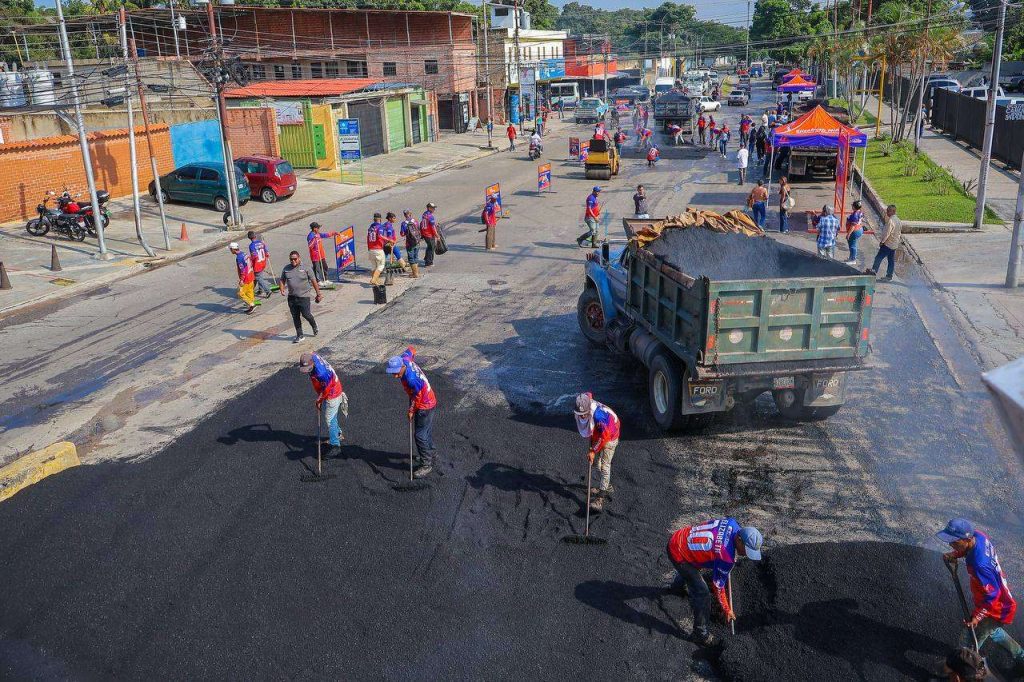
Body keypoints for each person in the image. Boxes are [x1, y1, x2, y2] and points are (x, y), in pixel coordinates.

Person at [938, 519, 1024, 672]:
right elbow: (966, 549)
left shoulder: (980, 565)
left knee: (969, 638)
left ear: (967, 539)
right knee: (993, 632)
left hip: (996, 608)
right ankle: (1021, 656)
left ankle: (963, 669)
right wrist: (955, 554)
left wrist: (977, 617)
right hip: (998, 602)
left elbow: (993, 595)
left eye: (954, 542)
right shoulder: (978, 535)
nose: (951, 545)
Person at [667, 518, 764, 646]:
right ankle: (700, 634)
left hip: (681, 537)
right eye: (747, 550)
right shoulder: (726, 557)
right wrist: (726, 608)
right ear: (739, 540)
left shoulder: (732, 523)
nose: (746, 554)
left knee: (694, 566)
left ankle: (676, 589)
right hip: (678, 552)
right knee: (702, 593)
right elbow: (718, 586)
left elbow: (708, 525)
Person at [386, 346, 438, 478]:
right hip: (429, 398)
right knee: (425, 431)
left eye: (396, 372)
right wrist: (411, 353)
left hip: (425, 404)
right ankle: (430, 452)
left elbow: (417, 397)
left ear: (402, 367)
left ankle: (427, 464)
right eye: (393, 373)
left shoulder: (411, 379)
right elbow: (411, 349)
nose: (395, 375)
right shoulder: (405, 359)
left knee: (420, 435)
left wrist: (411, 411)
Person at [573, 392, 620, 512]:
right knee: (595, 464)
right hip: (600, 431)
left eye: (584, 415)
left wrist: (593, 450)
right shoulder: (586, 400)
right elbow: (588, 394)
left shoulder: (599, 416)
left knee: (605, 466)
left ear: (589, 409)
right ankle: (606, 485)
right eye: (580, 414)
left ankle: (600, 498)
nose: (582, 417)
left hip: (610, 435)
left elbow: (603, 437)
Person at [299, 351, 345, 451]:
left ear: (313, 363)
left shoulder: (321, 373)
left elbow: (326, 390)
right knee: (332, 415)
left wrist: (319, 399)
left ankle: (335, 443)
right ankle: (338, 434)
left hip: (333, 393)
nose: (307, 371)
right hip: (330, 386)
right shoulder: (312, 355)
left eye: (309, 369)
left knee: (330, 418)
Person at [279, 250, 321, 343]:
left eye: (295, 259)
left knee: (306, 314)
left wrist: (318, 294)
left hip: (304, 296)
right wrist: (281, 288)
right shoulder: (286, 269)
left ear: (299, 258)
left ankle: (314, 325)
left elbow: (314, 281)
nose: (293, 261)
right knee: (295, 316)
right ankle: (300, 335)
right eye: (291, 259)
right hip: (292, 297)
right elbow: (282, 279)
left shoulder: (306, 268)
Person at [867, 204, 902, 282]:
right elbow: (899, 233)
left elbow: (887, 233)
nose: (887, 212)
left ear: (893, 211)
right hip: (894, 244)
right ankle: (889, 276)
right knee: (891, 260)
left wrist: (882, 242)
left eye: (888, 211)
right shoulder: (898, 220)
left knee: (878, 258)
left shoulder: (891, 221)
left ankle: (873, 273)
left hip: (888, 244)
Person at [229, 242, 256, 315]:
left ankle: (251, 305)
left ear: (233, 249)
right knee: (249, 292)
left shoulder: (239, 258)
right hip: (251, 275)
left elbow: (243, 270)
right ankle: (251, 305)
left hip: (246, 278)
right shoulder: (244, 254)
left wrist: (241, 280)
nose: (230, 251)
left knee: (240, 293)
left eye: (230, 249)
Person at [247, 231, 273, 299]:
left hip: (257, 264)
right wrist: (267, 254)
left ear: (249, 238)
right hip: (263, 262)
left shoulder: (251, 246)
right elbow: (266, 250)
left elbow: (254, 256)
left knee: (259, 278)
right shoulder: (261, 243)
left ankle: (268, 290)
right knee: (258, 276)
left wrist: (249, 259)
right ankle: (260, 290)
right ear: (255, 236)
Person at [366, 212, 387, 286]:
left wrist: (368, 248)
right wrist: (389, 240)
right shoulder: (380, 227)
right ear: (380, 219)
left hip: (371, 249)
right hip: (378, 249)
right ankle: (373, 279)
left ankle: (375, 281)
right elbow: (380, 236)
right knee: (381, 265)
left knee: (373, 266)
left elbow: (367, 238)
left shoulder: (370, 227)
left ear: (374, 219)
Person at [845, 200, 865, 264]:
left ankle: (853, 260)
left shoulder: (855, 214)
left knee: (852, 245)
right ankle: (851, 257)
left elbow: (853, 226)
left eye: (852, 205)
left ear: (854, 207)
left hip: (854, 231)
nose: (851, 206)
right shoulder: (860, 212)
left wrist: (848, 234)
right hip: (859, 229)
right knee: (852, 244)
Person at [420, 202, 439, 267]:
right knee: (431, 247)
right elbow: (433, 227)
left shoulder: (424, 214)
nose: (434, 209)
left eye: (434, 208)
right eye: (432, 208)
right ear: (429, 208)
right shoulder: (430, 216)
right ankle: (428, 263)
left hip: (425, 233)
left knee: (429, 247)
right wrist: (437, 235)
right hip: (429, 234)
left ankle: (426, 259)